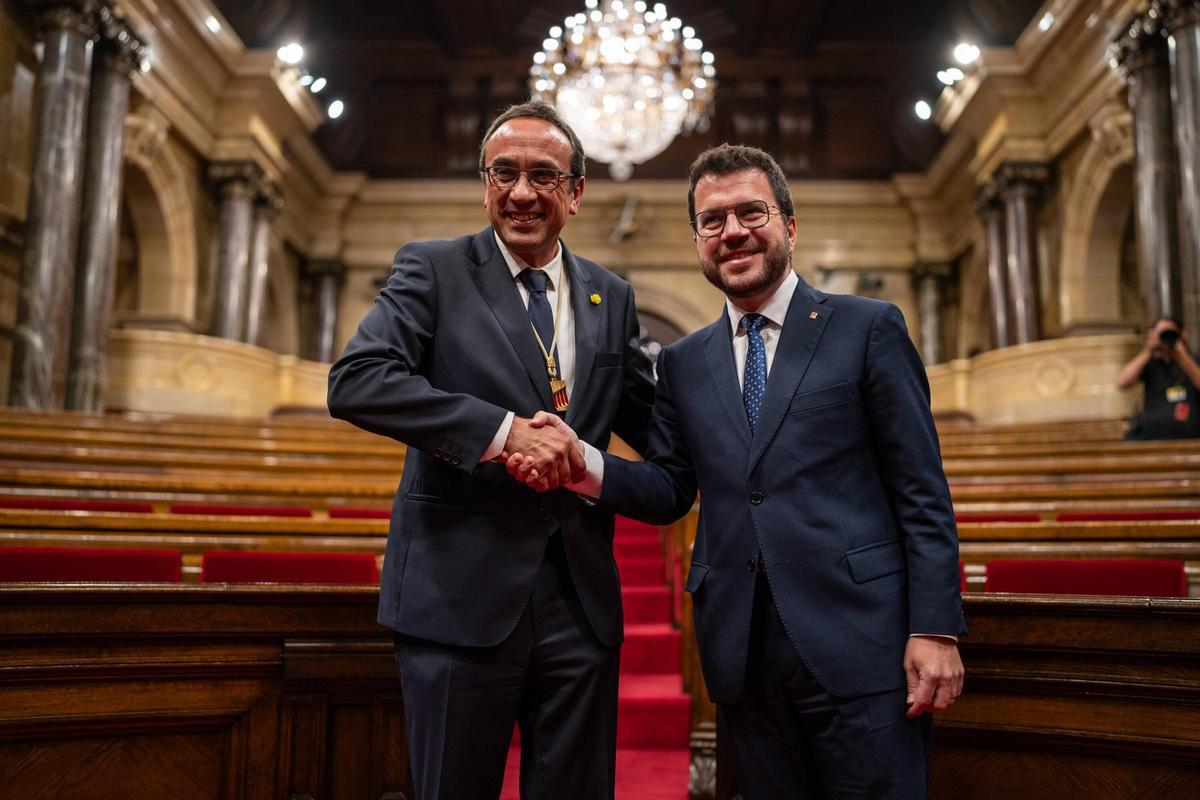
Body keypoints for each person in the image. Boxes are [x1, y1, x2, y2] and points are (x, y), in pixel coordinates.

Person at [509, 144, 965, 799]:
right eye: (712, 220)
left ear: (789, 224)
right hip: (742, 652)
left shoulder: (867, 328)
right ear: (698, 239)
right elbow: (670, 487)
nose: (733, 232)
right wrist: (582, 462)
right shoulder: (685, 363)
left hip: (862, 643)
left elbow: (921, 491)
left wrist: (934, 628)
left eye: (751, 212)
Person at [327, 100, 655, 800]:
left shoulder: (611, 295)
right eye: (503, 172)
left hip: (579, 604)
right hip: (457, 597)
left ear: (576, 192)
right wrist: (504, 432)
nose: (521, 192)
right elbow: (357, 380)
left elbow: (659, 432)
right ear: (484, 184)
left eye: (543, 174)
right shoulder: (433, 269)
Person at [1116, 317, 1200, 440]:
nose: (1166, 338)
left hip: (1191, 435)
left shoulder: (1194, 362)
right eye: (1161, 333)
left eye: (1169, 333)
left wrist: (1181, 356)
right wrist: (1148, 350)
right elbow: (1121, 383)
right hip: (1153, 436)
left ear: (1183, 334)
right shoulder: (1151, 364)